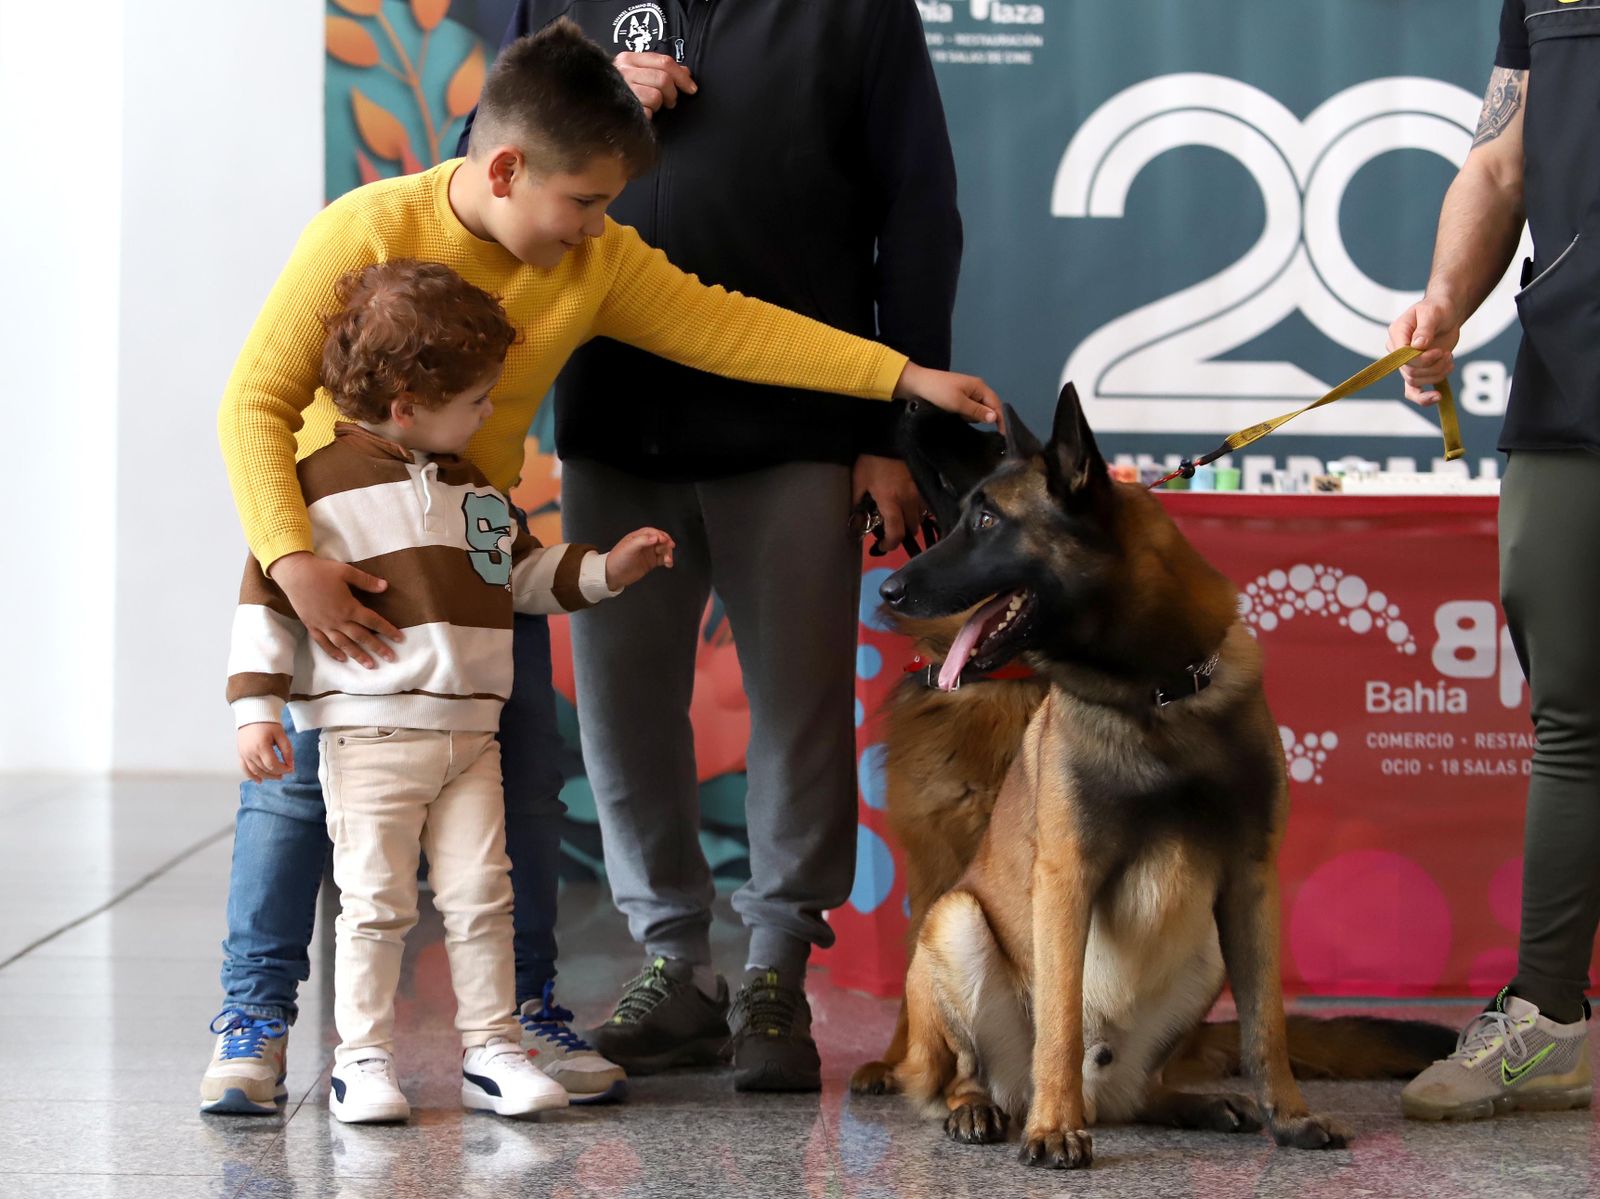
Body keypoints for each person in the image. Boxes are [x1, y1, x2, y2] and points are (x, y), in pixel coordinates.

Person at [200, 17, 997, 1115]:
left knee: (524, 790)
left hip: (479, 571)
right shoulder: (369, 229)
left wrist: (905, 378)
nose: (596, 225)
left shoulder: (592, 260)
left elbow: (732, 327)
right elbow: (253, 401)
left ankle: (521, 1013)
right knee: (298, 799)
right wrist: (295, 565)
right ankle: (252, 1021)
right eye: (583, 202)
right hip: (339, 568)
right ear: (507, 169)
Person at [227, 259, 673, 1122]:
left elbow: (523, 576)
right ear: (406, 406)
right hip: (370, 736)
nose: (489, 415)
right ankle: (361, 1058)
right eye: (476, 400)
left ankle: (492, 1048)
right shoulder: (316, 487)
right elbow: (267, 603)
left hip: (472, 739)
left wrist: (609, 570)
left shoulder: (474, 488)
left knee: (483, 897)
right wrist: (255, 712)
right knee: (375, 903)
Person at [1389, 0, 1595, 1121]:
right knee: (1573, 714)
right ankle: (1549, 1022)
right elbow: (1500, 161)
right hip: (1570, 380)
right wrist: (1444, 301)